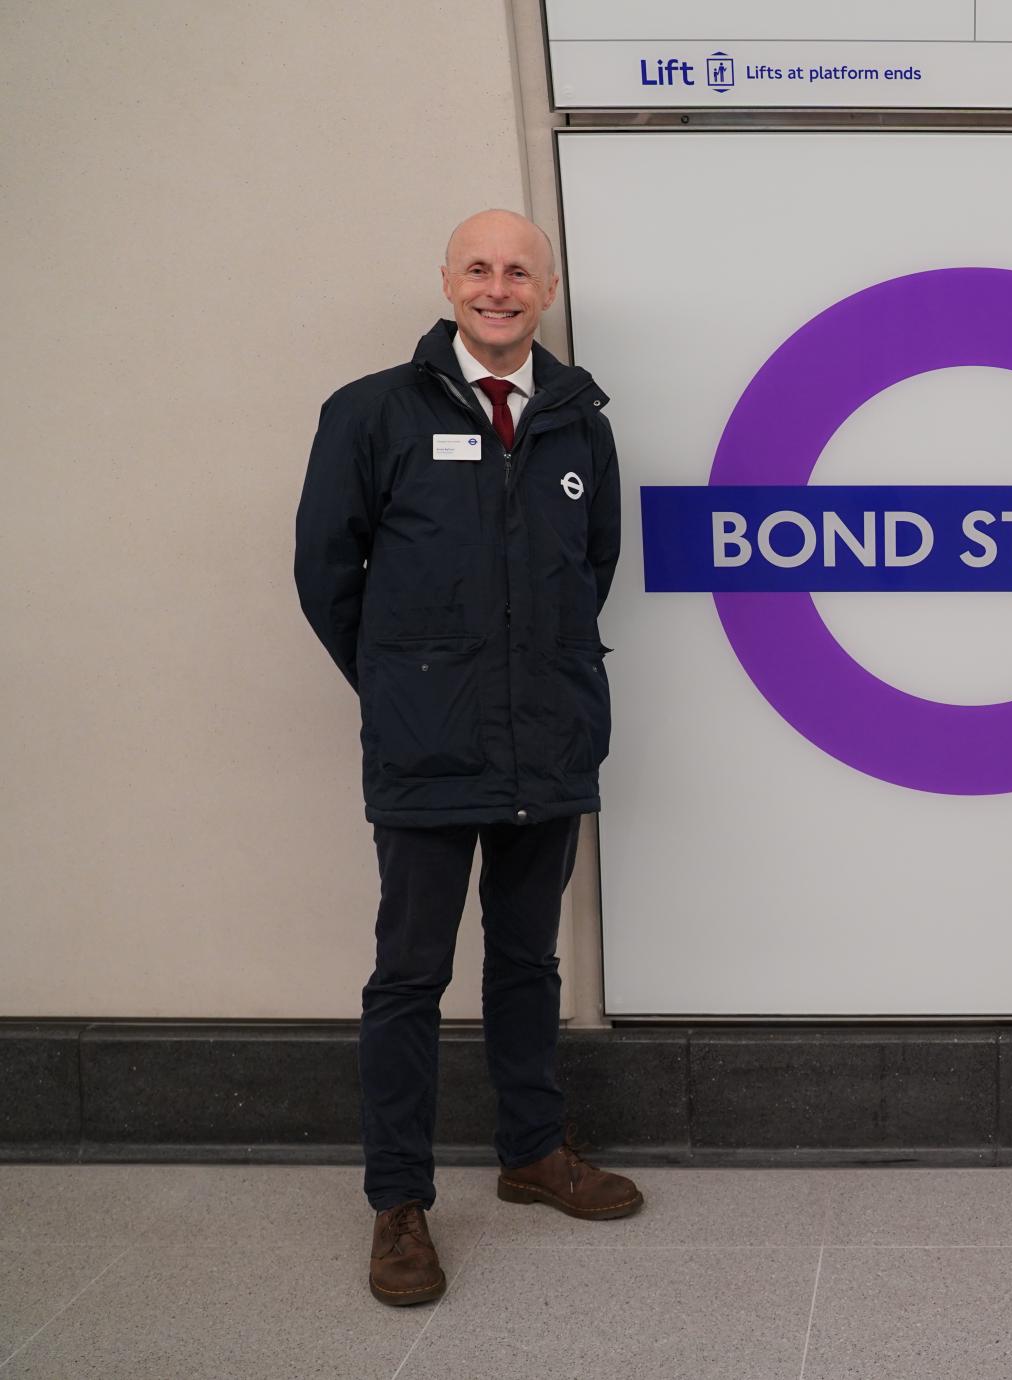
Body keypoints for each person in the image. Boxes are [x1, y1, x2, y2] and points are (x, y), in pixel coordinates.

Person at [295, 208, 640, 1307]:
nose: (499, 287)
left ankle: (533, 1153)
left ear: (546, 290)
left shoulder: (580, 419)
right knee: (410, 976)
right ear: (447, 281)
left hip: (547, 740)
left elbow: (594, 565)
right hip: (427, 748)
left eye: (519, 272)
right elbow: (325, 575)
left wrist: (526, 683)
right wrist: (412, 687)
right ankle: (398, 1204)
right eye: (479, 268)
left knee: (529, 963)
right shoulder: (370, 413)